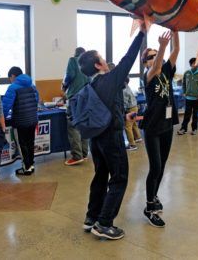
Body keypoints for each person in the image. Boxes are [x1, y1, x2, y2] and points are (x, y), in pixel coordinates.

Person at [78, 27, 145, 240]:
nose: (106, 61)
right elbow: (129, 58)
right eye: (103, 59)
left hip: (95, 138)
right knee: (119, 177)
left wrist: (123, 117)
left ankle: (92, 217)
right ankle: (104, 223)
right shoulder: (110, 79)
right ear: (98, 65)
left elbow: (105, 108)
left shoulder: (92, 85)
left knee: (100, 175)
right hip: (111, 138)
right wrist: (142, 33)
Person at [140, 30, 180, 228]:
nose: (155, 58)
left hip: (167, 125)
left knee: (162, 165)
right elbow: (156, 67)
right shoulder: (148, 75)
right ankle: (149, 208)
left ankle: (154, 195)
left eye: (156, 54)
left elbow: (177, 49)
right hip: (152, 126)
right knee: (155, 166)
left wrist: (176, 30)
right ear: (145, 62)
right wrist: (162, 46)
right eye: (150, 56)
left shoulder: (167, 71)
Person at [3, 67, 39, 176]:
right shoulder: (32, 86)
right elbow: (36, 101)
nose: (10, 80)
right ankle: (31, 165)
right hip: (33, 119)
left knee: (22, 144)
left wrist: (2, 118)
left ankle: (26, 168)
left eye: (10, 78)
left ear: (13, 76)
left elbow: (5, 106)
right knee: (30, 143)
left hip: (20, 121)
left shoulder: (12, 87)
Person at [62, 47, 90, 166]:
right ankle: (84, 154)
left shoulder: (73, 60)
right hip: (87, 98)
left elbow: (70, 75)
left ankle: (77, 156)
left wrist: (64, 85)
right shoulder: (88, 63)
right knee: (84, 125)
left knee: (73, 126)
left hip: (75, 98)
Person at [177, 57, 198, 136]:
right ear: (191, 64)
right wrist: (184, 92)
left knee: (195, 115)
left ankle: (194, 129)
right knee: (187, 114)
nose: (197, 64)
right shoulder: (187, 73)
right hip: (188, 98)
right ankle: (183, 129)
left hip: (197, 99)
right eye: (195, 63)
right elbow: (183, 84)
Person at [123, 76, 142, 150]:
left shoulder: (123, 89)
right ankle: (138, 137)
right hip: (135, 107)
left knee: (127, 127)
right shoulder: (127, 86)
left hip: (130, 109)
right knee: (133, 123)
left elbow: (124, 102)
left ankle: (132, 145)